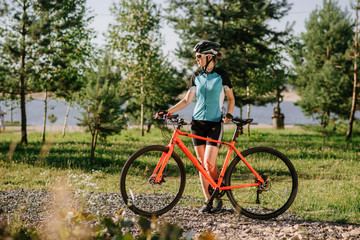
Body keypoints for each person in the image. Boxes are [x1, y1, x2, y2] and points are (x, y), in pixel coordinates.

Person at [156, 40, 235, 213]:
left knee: (209, 164)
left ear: (209, 57)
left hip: (215, 123)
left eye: (199, 56)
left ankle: (220, 187)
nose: (197, 60)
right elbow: (186, 100)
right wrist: (167, 111)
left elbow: (231, 98)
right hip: (197, 124)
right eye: (196, 57)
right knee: (201, 164)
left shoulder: (221, 75)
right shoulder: (196, 76)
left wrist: (229, 113)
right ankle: (209, 201)